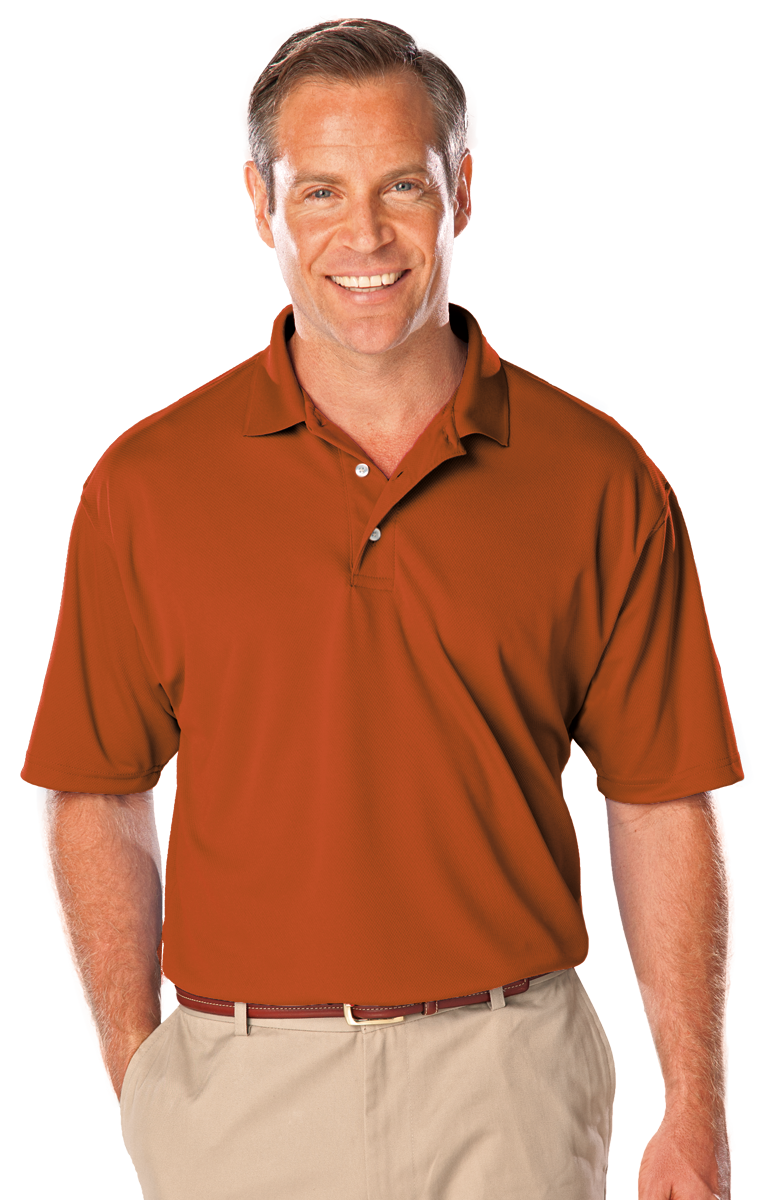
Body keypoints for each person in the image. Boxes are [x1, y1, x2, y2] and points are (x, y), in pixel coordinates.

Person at [22, 17, 743, 1200]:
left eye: (402, 185)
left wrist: (700, 1106)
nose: (362, 236)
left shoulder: (597, 479)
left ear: (463, 190)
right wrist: (142, 1076)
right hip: (239, 1092)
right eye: (320, 191)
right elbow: (94, 790)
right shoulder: (147, 486)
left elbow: (665, 798)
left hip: (511, 1083)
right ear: (260, 202)